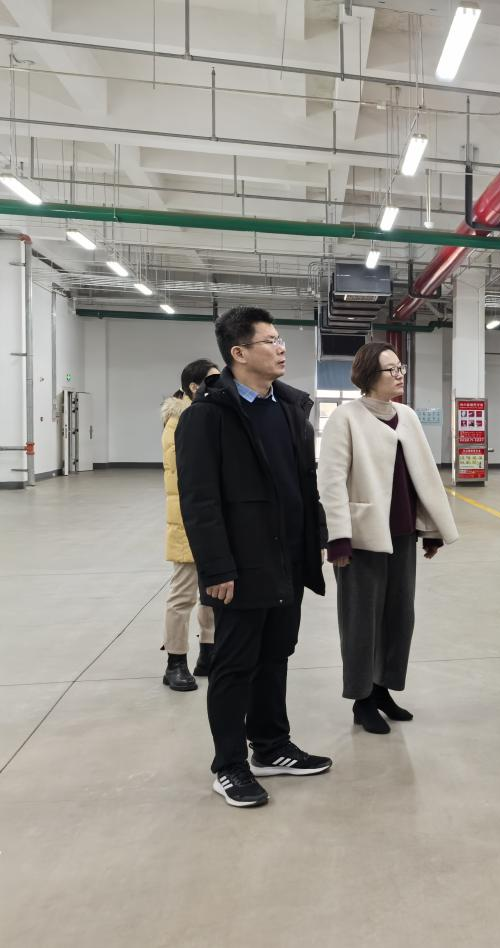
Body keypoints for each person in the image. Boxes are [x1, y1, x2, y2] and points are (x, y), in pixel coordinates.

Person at [176, 306, 332, 809]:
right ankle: (229, 766)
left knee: (275, 656)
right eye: (270, 340)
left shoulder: (288, 408)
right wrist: (217, 567)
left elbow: (304, 486)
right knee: (234, 666)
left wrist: (317, 538)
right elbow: (199, 501)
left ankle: (270, 746)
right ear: (239, 353)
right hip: (240, 567)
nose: (281, 347)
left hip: (287, 559)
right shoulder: (207, 417)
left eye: (280, 338)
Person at [318, 342, 459, 734]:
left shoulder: (407, 416)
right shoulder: (345, 418)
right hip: (361, 538)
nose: (399, 375)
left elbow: (423, 476)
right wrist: (337, 538)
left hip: (402, 535)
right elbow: (330, 482)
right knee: (360, 621)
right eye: (391, 370)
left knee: (399, 618)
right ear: (368, 376)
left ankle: (381, 689)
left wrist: (430, 529)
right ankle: (361, 699)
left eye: (401, 368)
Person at [159, 359, 220, 692]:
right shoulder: (179, 422)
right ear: (195, 387)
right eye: (214, 381)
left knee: (213, 593)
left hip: (209, 520)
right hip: (187, 521)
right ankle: (175, 662)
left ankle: (208, 653)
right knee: (183, 595)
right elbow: (188, 477)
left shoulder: (203, 417)